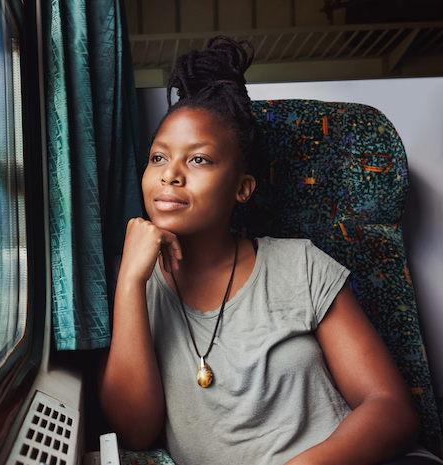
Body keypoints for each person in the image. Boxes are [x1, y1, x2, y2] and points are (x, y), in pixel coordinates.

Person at [97, 36, 442, 465]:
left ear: (243, 188)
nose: (171, 176)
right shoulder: (130, 280)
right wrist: (131, 282)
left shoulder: (300, 265)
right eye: (158, 158)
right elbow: (134, 430)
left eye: (199, 159)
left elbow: (390, 409)